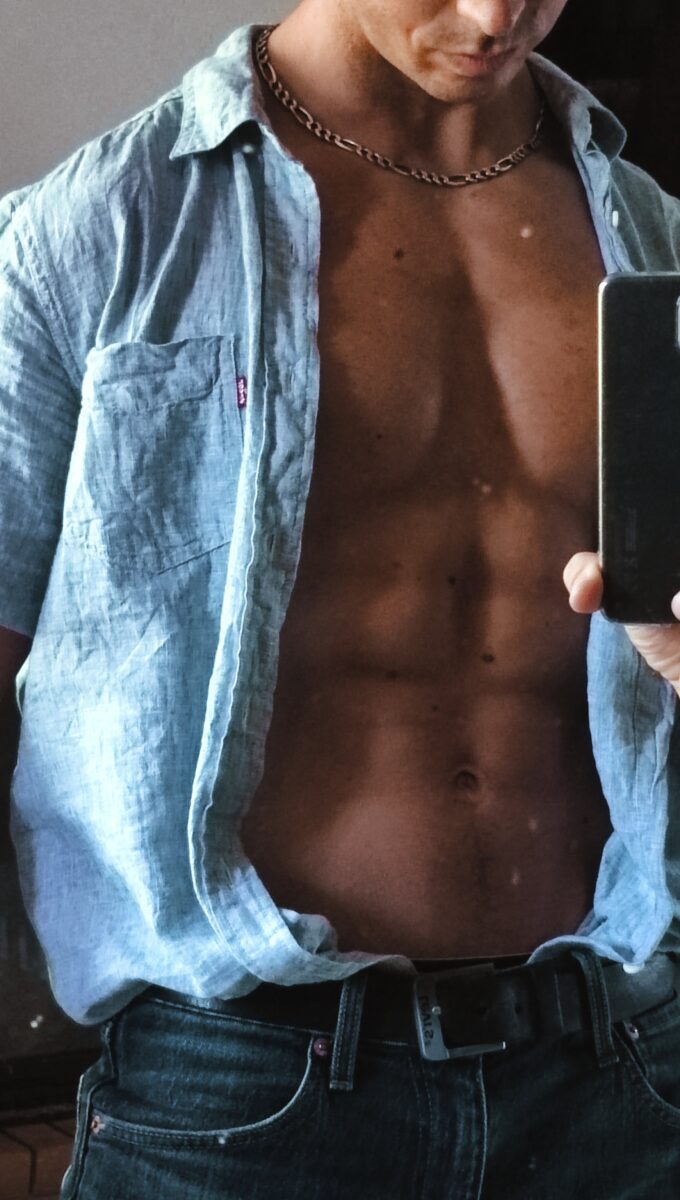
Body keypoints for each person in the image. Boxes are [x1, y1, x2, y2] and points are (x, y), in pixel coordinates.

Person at [2, 2, 680, 1196]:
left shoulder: (655, 247)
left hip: (616, 1069)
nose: (495, 14)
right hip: (234, 1088)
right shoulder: (90, 234)